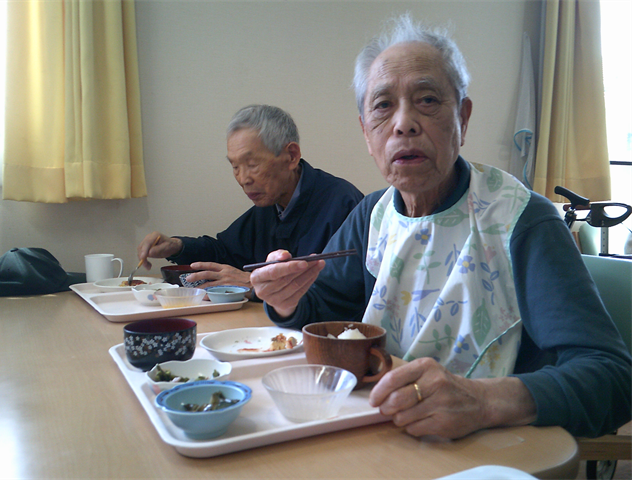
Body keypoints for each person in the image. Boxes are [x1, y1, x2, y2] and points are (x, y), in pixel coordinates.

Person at [250, 14, 632, 439]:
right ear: (365, 132)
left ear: (463, 119)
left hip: (484, 452)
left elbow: (612, 378)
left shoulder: (523, 220)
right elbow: (321, 307)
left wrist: (483, 400)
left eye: (428, 100)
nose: (404, 123)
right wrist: (285, 298)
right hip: (380, 433)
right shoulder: (373, 214)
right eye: (382, 105)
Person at [137, 105, 363, 293]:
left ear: (291, 156)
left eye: (252, 164)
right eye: (235, 166)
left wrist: (253, 283)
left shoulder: (343, 204)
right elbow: (226, 252)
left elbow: (342, 290)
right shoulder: (269, 206)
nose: (243, 179)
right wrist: (177, 247)